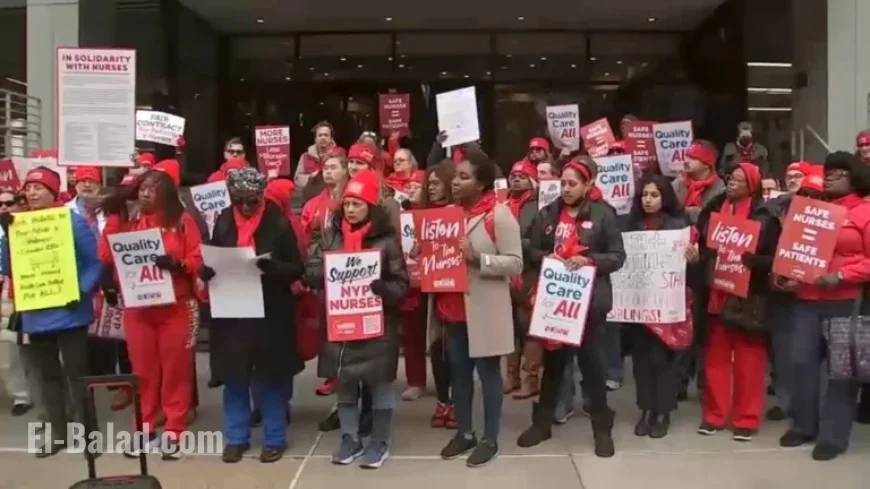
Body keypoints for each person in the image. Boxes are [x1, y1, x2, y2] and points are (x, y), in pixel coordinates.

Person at [516, 158, 625, 456]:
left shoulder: (604, 215)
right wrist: (548, 259)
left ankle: (602, 430)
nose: (565, 189)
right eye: (563, 183)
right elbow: (528, 248)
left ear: (588, 185)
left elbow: (617, 256)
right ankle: (542, 425)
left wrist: (589, 260)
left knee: (593, 369)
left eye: (573, 183)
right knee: (553, 368)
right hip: (555, 306)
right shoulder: (547, 214)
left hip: (589, 307)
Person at [306, 169, 410, 469]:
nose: (350, 210)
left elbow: (402, 286)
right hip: (341, 327)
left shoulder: (387, 242)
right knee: (346, 388)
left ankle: (379, 442)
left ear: (370, 207)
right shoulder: (331, 237)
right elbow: (311, 268)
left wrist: (382, 288)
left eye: (357, 204)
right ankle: (349, 438)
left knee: (380, 388)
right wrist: (320, 272)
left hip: (378, 330)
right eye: (347, 204)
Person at [98, 165, 203, 459]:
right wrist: (116, 217)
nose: (145, 191)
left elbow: (197, 257)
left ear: (167, 192)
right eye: (143, 186)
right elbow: (105, 255)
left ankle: (174, 429)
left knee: (175, 370)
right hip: (139, 309)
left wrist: (178, 265)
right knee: (143, 372)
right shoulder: (129, 220)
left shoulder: (182, 221)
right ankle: (145, 426)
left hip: (176, 307)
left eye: (153, 186)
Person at [201, 168, 304, 464]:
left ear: (261, 195)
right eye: (240, 201)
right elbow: (213, 254)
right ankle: (236, 437)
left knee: (271, 377)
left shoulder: (279, 222)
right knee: (234, 376)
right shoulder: (222, 220)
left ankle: (274, 438)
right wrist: (206, 271)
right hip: (232, 310)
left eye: (251, 201)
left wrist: (272, 269)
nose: (246, 207)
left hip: (270, 311)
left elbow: (296, 267)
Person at [0, 167, 103, 457]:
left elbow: (96, 261)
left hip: (71, 311)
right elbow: (8, 268)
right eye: (28, 188)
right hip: (37, 312)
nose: (31, 193)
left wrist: (80, 290)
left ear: (52, 191)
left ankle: (89, 436)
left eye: (38, 188)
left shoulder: (71, 221)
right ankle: (59, 434)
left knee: (77, 375)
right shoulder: (17, 224)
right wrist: (7, 235)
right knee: (47, 378)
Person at [778, 151, 870, 460]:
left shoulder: (865, 211)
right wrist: (787, 276)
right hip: (806, 298)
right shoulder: (812, 211)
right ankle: (804, 424)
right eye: (828, 172)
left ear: (854, 176)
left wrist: (842, 274)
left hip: (845, 300)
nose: (830, 176)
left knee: (840, 371)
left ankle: (834, 435)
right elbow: (798, 252)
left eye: (839, 172)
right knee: (801, 363)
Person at [437, 149, 522, 468]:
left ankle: (489, 439)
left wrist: (478, 258)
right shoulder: (446, 214)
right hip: (452, 309)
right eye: (455, 176)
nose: (455, 182)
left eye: (464, 177)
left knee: (488, 374)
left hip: (484, 310)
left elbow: (516, 262)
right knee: (458, 374)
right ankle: (464, 432)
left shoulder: (498, 215)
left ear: (482, 183)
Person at [696, 162, 781, 442]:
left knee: (749, 361)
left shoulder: (765, 217)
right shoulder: (713, 210)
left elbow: (775, 259)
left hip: (750, 296)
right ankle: (714, 416)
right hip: (716, 294)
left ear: (752, 185)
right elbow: (702, 244)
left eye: (739, 179)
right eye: (730, 178)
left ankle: (746, 418)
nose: (731, 182)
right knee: (715, 360)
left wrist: (752, 262)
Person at [628, 174, 697, 438]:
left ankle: (663, 411)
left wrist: (692, 259)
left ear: (665, 197)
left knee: (663, 361)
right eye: (645, 194)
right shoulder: (630, 226)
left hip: (667, 305)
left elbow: (691, 273)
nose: (648, 200)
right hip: (637, 304)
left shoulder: (679, 227)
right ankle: (646, 409)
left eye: (654, 195)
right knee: (641, 361)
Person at [301, 151, 349, 399]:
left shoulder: (352, 199)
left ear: (345, 170)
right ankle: (332, 376)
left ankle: (348, 374)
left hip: (349, 269)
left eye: (333, 167)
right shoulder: (313, 204)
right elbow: (307, 236)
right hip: (324, 269)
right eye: (325, 168)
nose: (327, 171)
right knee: (328, 327)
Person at [420, 161, 457, 428]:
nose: (431, 188)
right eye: (428, 184)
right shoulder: (422, 214)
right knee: (436, 348)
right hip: (432, 291)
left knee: (455, 348)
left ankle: (456, 401)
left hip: (455, 290)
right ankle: (443, 399)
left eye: (435, 183)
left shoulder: (460, 212)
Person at [504, 160, 541, 399]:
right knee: (509, 328)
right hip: (506, 272)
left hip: (529, 272)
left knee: (528, 328)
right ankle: (511, 376)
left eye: (522, 175)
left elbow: (540, 240)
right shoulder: (502, 204)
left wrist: (519, 244)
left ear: (532, 180)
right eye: (513, 175)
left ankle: (530, 378)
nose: (516, 179)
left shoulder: (539, 206)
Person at [0, 189, 38, 417]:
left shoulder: (31, 227)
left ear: (20, 204)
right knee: (13, 347)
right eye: (0, 204)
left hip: (23, 292)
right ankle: (19, 393)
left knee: (24, 348)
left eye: (9, 203)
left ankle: (28, 393)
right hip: (6, 293)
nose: (3, 207)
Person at [673, 140, 726, 225]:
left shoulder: (721, 189)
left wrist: (684, 211)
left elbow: (714, 218)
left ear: (707, 164)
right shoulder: (678, 183)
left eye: (693, 158)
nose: (686, 161)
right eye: (687, 156)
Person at [295, 121, 336, 190]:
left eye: (326, 135)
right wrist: (311, 177)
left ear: (331, 139)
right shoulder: (305, 157)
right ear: (315, 139)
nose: (323, 138)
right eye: (320, 135)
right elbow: (297, 179)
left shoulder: (338, 156)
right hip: (311, 197)